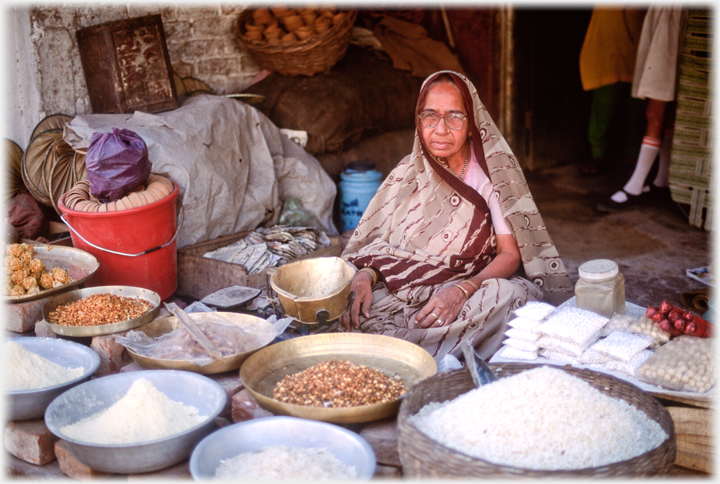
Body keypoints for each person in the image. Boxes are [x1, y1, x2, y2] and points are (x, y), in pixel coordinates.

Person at [337, 71, 573, 362]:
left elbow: (510, 254)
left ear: (472, 124)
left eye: (455, 117)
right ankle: (411, 347)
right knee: (343, 296)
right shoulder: (407, 173)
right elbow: (380, 248)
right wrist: (364, 276)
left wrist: (460, 291)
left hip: (466, 285)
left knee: (513, 297)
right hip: (405, 286)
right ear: (418, 120)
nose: (440, 129)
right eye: (430, 116)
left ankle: (399, 350)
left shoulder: (492, 175)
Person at [597, 5, 686, 212]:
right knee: (666, 107)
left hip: (672, 16)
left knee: (657, 107)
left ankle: (635, 187)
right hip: (664, 15)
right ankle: (661, 181)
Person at [578, 6, 646, 176]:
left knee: (636, 107)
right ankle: (596, 154)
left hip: (637, 41)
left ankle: (632, 153)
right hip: (608, 43)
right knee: (603, 105)